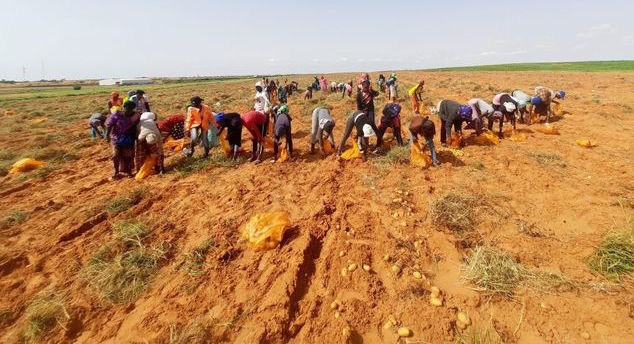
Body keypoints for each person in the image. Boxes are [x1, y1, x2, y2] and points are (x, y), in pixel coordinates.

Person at [105, 101, 140, 179]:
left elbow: (138, 125)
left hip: (129, 138)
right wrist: (107, 135)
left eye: (130, 109)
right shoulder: (117, 114)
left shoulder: (136, 116)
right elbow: (109, 125)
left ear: (132, 109)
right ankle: (116, 172)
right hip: (116, 138)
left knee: (128, 156)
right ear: (124, 107)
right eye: (126, 108)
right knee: (115, 155)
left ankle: (128, 171)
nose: (128, 111)